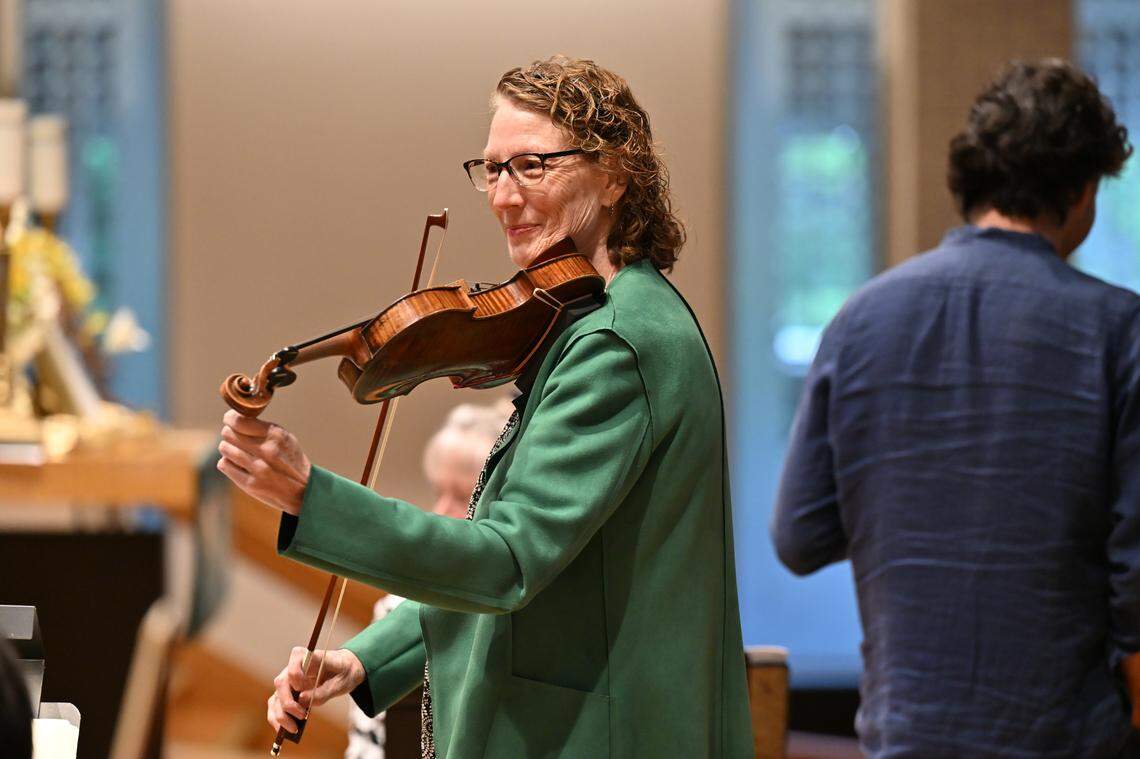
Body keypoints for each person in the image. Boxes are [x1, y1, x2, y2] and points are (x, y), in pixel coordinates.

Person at [218, 56, 753, 758]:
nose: (503, 196)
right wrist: (370, 658)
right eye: (492, 169)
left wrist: (310, 496)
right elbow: (543, 563)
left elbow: (506, 560)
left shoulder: (619, 346)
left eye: (532, 166)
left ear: (616, 174)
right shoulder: (598, 321)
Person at [772, 59, 1140, 758]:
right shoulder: (1120, 331)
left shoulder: (858, 320)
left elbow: (799, 534)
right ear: (1084, 189)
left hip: (904, 731)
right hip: (1067, 735)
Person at [346, 400, 513, 759]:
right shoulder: (395, 608)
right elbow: (366, 745)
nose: (440, 513)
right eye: (439, 492)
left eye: (465, 497)